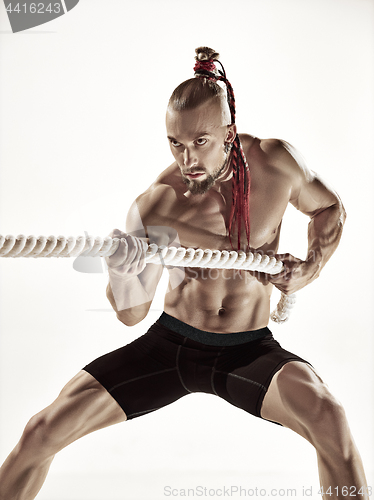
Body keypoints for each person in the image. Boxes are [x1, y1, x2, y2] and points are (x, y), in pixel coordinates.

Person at [0, 47, 369, 500]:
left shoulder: (277, 165)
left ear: (229, 134)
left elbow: (330, 207)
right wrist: (124, 270)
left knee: (330, 421)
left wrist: (312, 268)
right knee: (41, 431)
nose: (186, 158)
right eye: (175, 143)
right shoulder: (158, 202)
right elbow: (131, 313)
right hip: (170, 344)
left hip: (247, 349)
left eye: (200, 142)